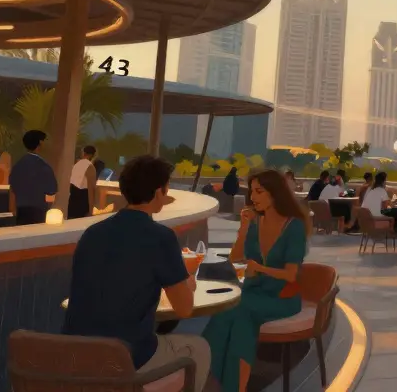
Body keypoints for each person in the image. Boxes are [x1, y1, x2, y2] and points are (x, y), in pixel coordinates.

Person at [63, 155, 210, 392]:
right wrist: (188, 283)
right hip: (124, 360)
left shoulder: (92, 234)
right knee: (198, 349)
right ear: (159, 192)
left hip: (75, 357)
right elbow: (184, 308)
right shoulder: (160, 237)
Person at [203, 169, 310, 392]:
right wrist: (243, 228)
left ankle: (225, 386)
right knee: (226, 314)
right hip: (252, 292)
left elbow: (291, 274)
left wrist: (260, 268)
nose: (253, 197)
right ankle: (212, 383)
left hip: (281, 297)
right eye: (252, 191)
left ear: (275, 193)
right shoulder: (254, 223)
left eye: (259, 191)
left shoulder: (294, 226)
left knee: (240, 312)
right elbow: (235, 259)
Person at [8, 130, 56, 225]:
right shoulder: (44, 166)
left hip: (20, 211)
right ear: (40, 143)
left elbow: (12, 190)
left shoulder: (18, 165)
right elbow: (51, 193)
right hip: (39, 211)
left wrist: (13, 211)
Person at [68, 146, 98, 219]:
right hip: (83, 199)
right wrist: (91, 210)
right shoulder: (90, 166)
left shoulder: (76, 165)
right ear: (93, 155)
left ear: (83, 153)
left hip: (72, 197)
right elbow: (91, 189)